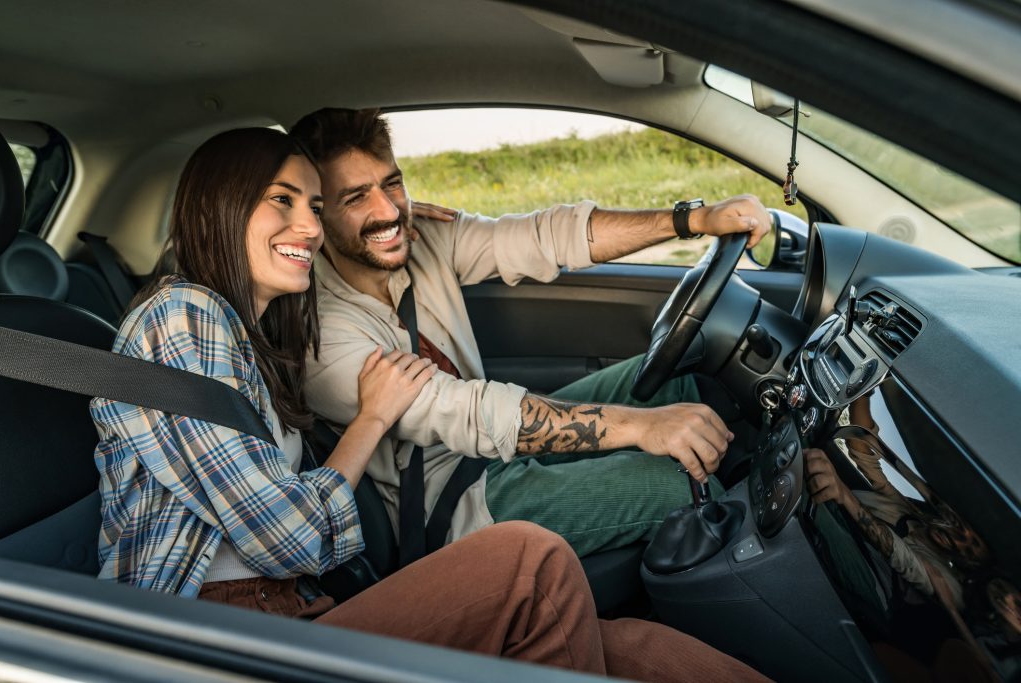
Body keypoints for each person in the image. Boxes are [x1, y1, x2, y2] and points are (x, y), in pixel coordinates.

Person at [89, 126, 768, 682]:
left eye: (315, 207)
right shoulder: (185, 315)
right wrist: (372, 419)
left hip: (293, 606)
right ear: (221, 205)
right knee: (531, 562)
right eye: (283, 201)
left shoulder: (253, 331)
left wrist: (692, 219)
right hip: (216, 638)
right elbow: (285, 538)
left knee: (626, 647)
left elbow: (540, 235)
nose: (309, 226)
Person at [291, 108, 771, 558]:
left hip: (492, 449)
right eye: (356, 198)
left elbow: (543, 236)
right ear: (315, 213)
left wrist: (691, 220)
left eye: (392, 184)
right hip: (449, 506)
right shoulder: (322, 337)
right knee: (673, 486)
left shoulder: (424, 238)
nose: (389, 210)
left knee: (671, 379)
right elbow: (470, 413)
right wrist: (640, 426)